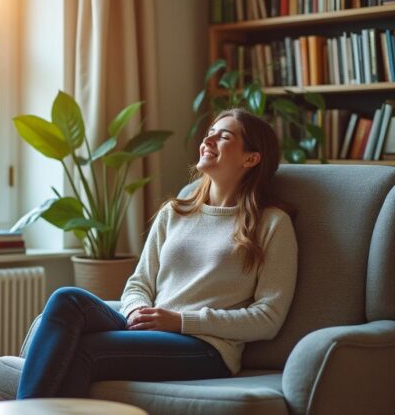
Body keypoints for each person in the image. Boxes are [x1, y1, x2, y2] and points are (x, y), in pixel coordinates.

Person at [17, 108, 298, 398]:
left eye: (223, 136)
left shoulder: (272, 223)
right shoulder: (175, 212)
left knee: (88, 350)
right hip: (151, 329)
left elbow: (268, 318)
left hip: (206, 348)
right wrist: (136, 311)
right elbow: (139, 283)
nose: (208, 140)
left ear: (251, 158)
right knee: (68, 299)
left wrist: (180, 321)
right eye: (209, 133)